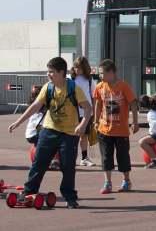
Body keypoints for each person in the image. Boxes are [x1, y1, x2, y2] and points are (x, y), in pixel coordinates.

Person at [7, 57, 92, 209]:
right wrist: (18, 122)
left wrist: (83, 124)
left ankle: (70, 197)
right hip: (49, 130)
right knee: (39, 163)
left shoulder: (74, 88)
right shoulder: (48, 88)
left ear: (61, 73)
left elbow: (88, 108)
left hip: (69, 134)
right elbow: (35, 106)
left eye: (51, 72)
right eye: (48, 72)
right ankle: (29, 191)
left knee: (68, 167)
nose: (48, 75)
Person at [93, 59, 139, 194]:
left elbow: (133, 104)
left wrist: (135, 122)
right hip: (104, 129)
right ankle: (107, 182)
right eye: (100, 73)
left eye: (102, 73)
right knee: (106, 157)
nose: (100, 76)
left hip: (121, 131)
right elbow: (98, 104)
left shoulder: (124, 86)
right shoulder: (99, 87)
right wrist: (95, 121)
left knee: (123, 157)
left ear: (112, 72)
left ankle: (126, 180)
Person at [71, 56, 97, 167]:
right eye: (76, 68)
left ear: (85, 68)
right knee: (72, 136)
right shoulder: (70, 79)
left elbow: (94, 97)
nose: (77, 70)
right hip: (72, 112)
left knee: (84, 136)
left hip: (86, 113)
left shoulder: (90, 80)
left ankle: (84, 157)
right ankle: (71, 157)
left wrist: (95, 113)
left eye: (80, 68)